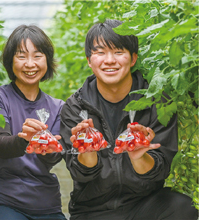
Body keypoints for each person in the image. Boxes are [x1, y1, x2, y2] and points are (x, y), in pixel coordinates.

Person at [60, 19, 198, 220]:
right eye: (100, 53)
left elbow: (159, 171)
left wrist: (139, 157)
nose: (109, 60)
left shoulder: (157, 102)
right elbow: (80, 174)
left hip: (145, 203)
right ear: (89, 60)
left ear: (133, 59)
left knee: (183, 208)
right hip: (94, 209)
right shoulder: (75, 107)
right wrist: (87, 152)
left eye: (118, 52)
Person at [0, 25, 67, 220]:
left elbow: (54, 158)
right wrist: (25, 139)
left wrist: (50, 150)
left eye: (37, 56)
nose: (30, 64)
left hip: (45, 203)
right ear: (10, 61)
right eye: (21, 56)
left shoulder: (58, 107)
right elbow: (0, 145)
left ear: (47, 60)